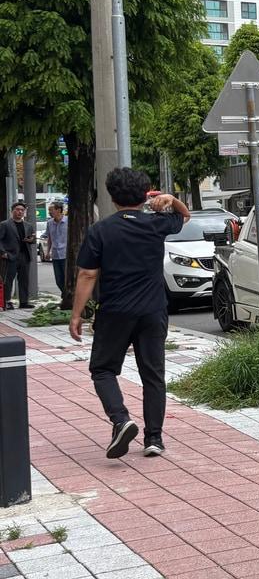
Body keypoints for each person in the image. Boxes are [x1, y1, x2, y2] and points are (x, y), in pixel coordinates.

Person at [70, 168, 190, 459]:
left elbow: (87, 274)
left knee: (103, 370)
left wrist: (76, 315)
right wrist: (171, 199)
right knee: (153, 374)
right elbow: (185, 216)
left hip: (115, 311)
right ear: (145, 194)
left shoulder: (100, 230)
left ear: (112, 196)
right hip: (153, 310)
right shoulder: (156, 224)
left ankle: (121, 419)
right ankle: (154, 439)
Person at [0, 202, 34, 309]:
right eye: (17, 209)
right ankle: (7, 301)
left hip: (25, 255)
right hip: (10, 256)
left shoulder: (28, 225)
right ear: (12, 211)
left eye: (22, 210)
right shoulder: (5, 224)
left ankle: (24, 302)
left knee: (24, 280)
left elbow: (32, 239)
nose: (20, 212)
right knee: (8, 280)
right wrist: (3, 252)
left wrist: (31, 240)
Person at [45, 202, 67, 296]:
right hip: (55, 254)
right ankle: (65, 294)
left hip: (66, 254)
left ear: (58, 210)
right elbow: (49, 238)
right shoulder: (50, 223)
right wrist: (48, 252)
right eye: (49, 210)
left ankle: (66, 297)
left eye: (51, 210)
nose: (49, 212)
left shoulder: (68, 221)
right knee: (58, 280)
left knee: (67, 278)